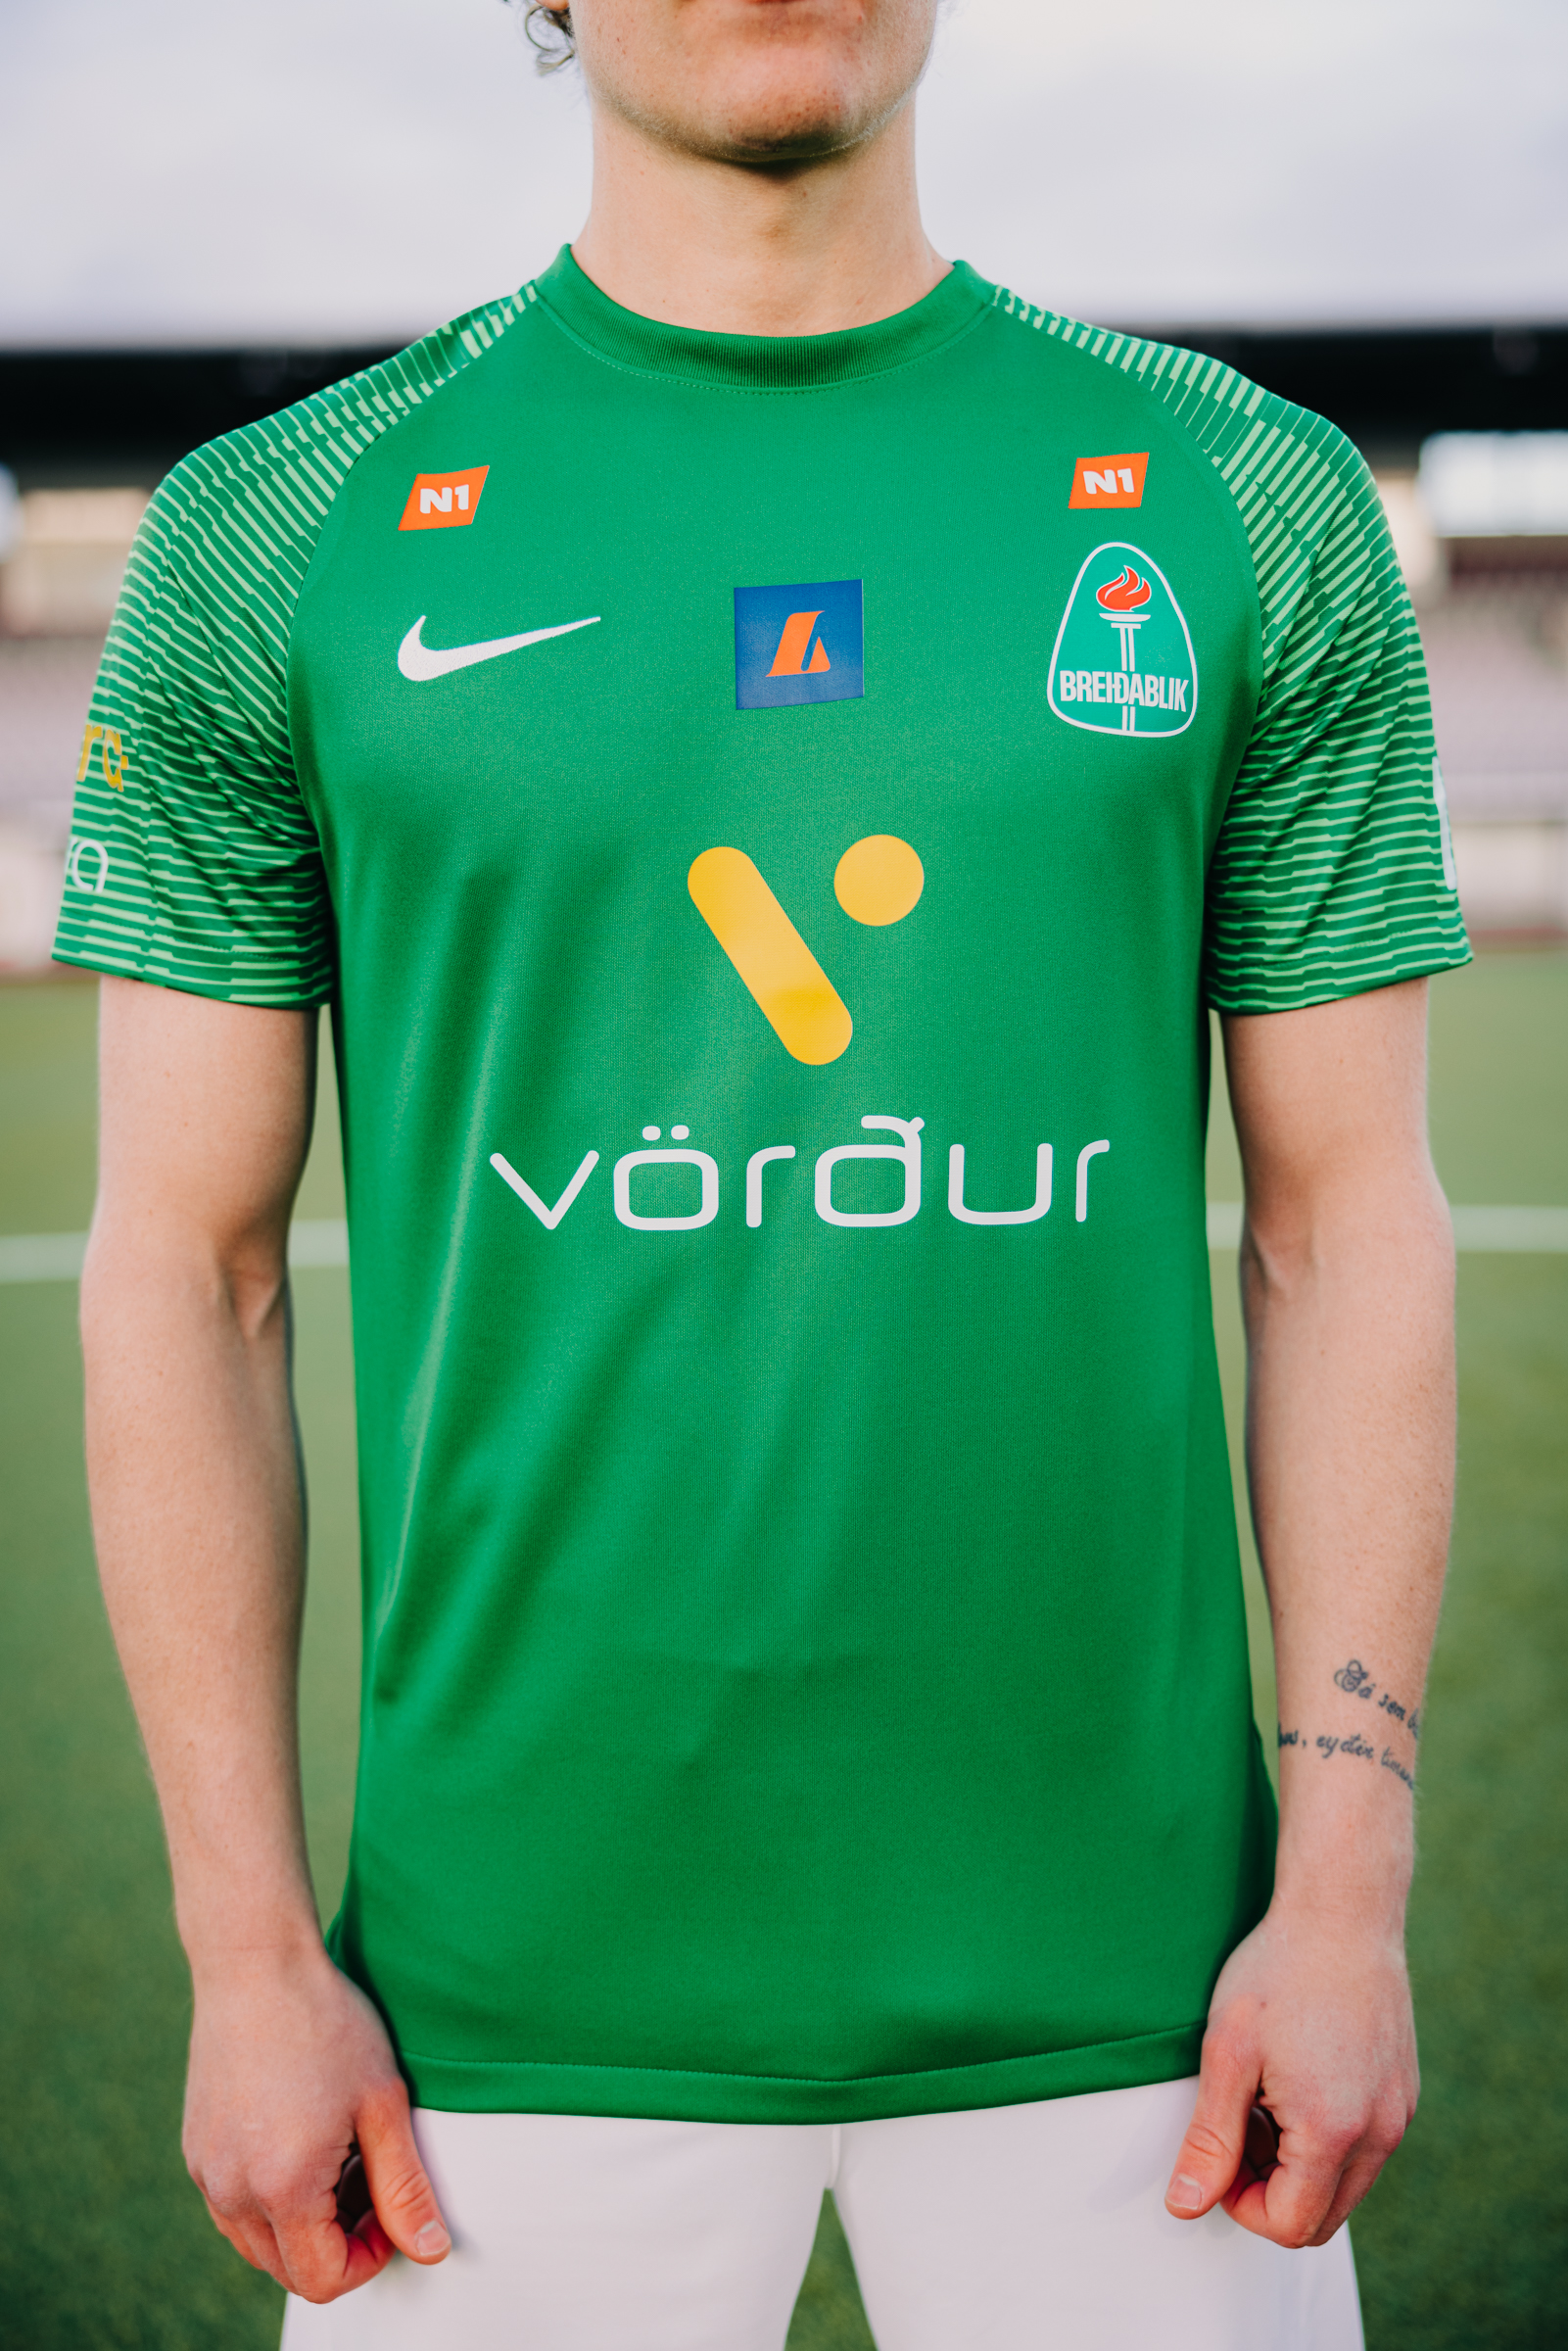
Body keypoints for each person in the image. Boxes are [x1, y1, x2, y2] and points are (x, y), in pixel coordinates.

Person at [57, 2, 1468, 2344]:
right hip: (482, 2036)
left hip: (1147, 2011)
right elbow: (189, 1276)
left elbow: (1345, 1230)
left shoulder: (1248, 499)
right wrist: (246, 1953)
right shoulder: (276, 531)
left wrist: (1344, 1895)